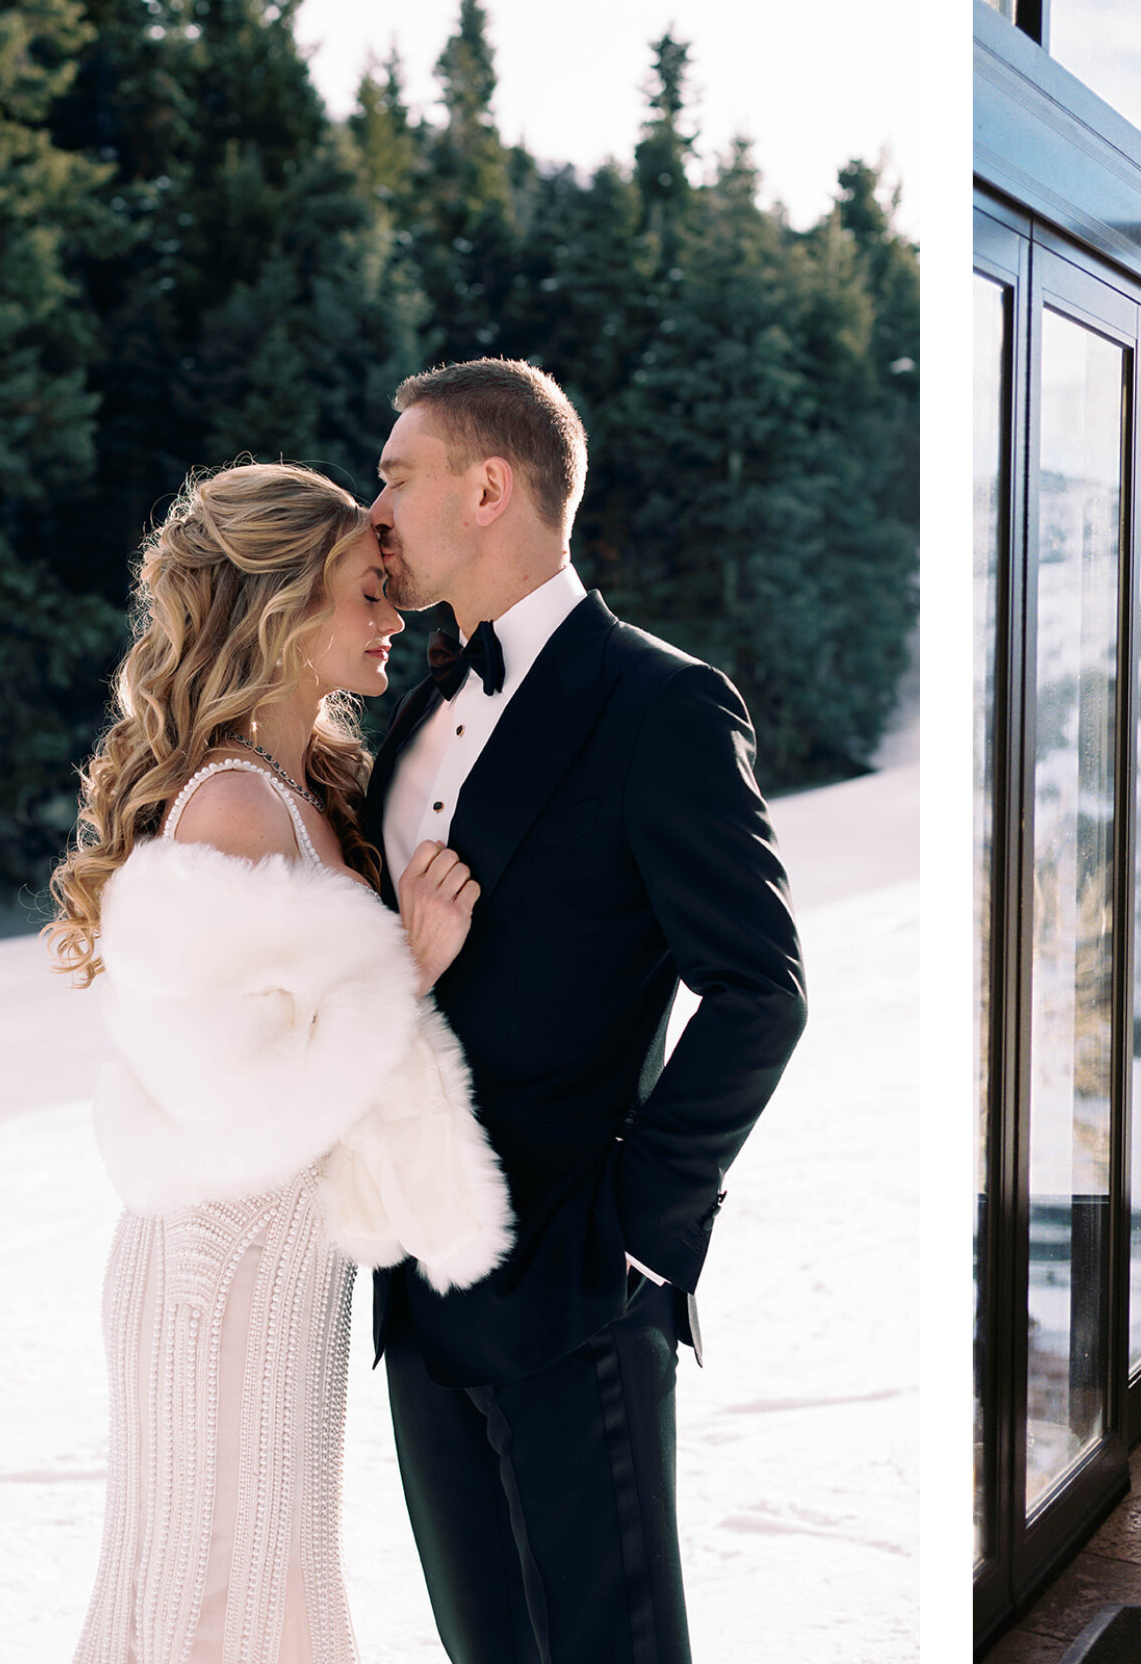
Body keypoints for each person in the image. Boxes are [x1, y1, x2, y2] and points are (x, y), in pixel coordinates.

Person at [363, 358, 808, 1663]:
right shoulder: (425, 706)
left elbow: (759, 992)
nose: (373, 502)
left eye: (397, 474)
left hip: (573, 1289)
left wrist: (634, 1237)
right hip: (417, 1288)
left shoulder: (660, 704)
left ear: (488, 485)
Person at [49, 461, 515, 1662]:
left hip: (289, 1262)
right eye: (366, 592)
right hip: (221, 1266)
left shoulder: (317, 787)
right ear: (281, 610)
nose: (391, 617)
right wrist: (404, 964)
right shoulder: (234, 808)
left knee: (267, 1568)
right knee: (214, 1586)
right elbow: (239, 1101)